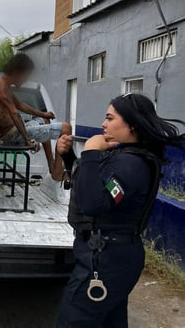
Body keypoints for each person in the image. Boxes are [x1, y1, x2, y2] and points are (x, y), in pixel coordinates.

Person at [55, 93, 185, 328]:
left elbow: (93, 204)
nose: (103, 124)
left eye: (110, 118)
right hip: (111, 256)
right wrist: (68, 157)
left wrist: (91, 153)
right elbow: (91, 187)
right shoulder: (123, 156)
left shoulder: (130, 164)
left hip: (105, 259)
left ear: (133, 126)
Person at [0, 53, 72, 180]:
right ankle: (58, 172)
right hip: (13, 135)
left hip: (14, 132)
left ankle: (52, 165)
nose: (25, 80)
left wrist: (43, 114)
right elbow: (14, 112)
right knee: (66, 128)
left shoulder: (5, 85)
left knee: (45, 120)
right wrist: (28, 139)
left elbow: (21, 106)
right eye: (25, 76)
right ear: (17, 71)